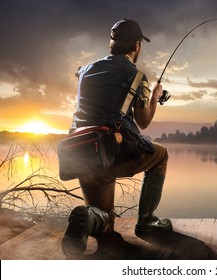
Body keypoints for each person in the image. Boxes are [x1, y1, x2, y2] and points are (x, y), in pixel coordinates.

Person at [61, 19, 172, 257]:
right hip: (114, 151)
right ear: (137, 45)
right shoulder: (137, 76)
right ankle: (147, 221)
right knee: (160, 154)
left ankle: (88, 215)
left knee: (106, 225)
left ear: (112, 44)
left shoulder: (85, 70)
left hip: (82, 153)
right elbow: (143, 122)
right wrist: (155, 97)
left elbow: (87, 89)